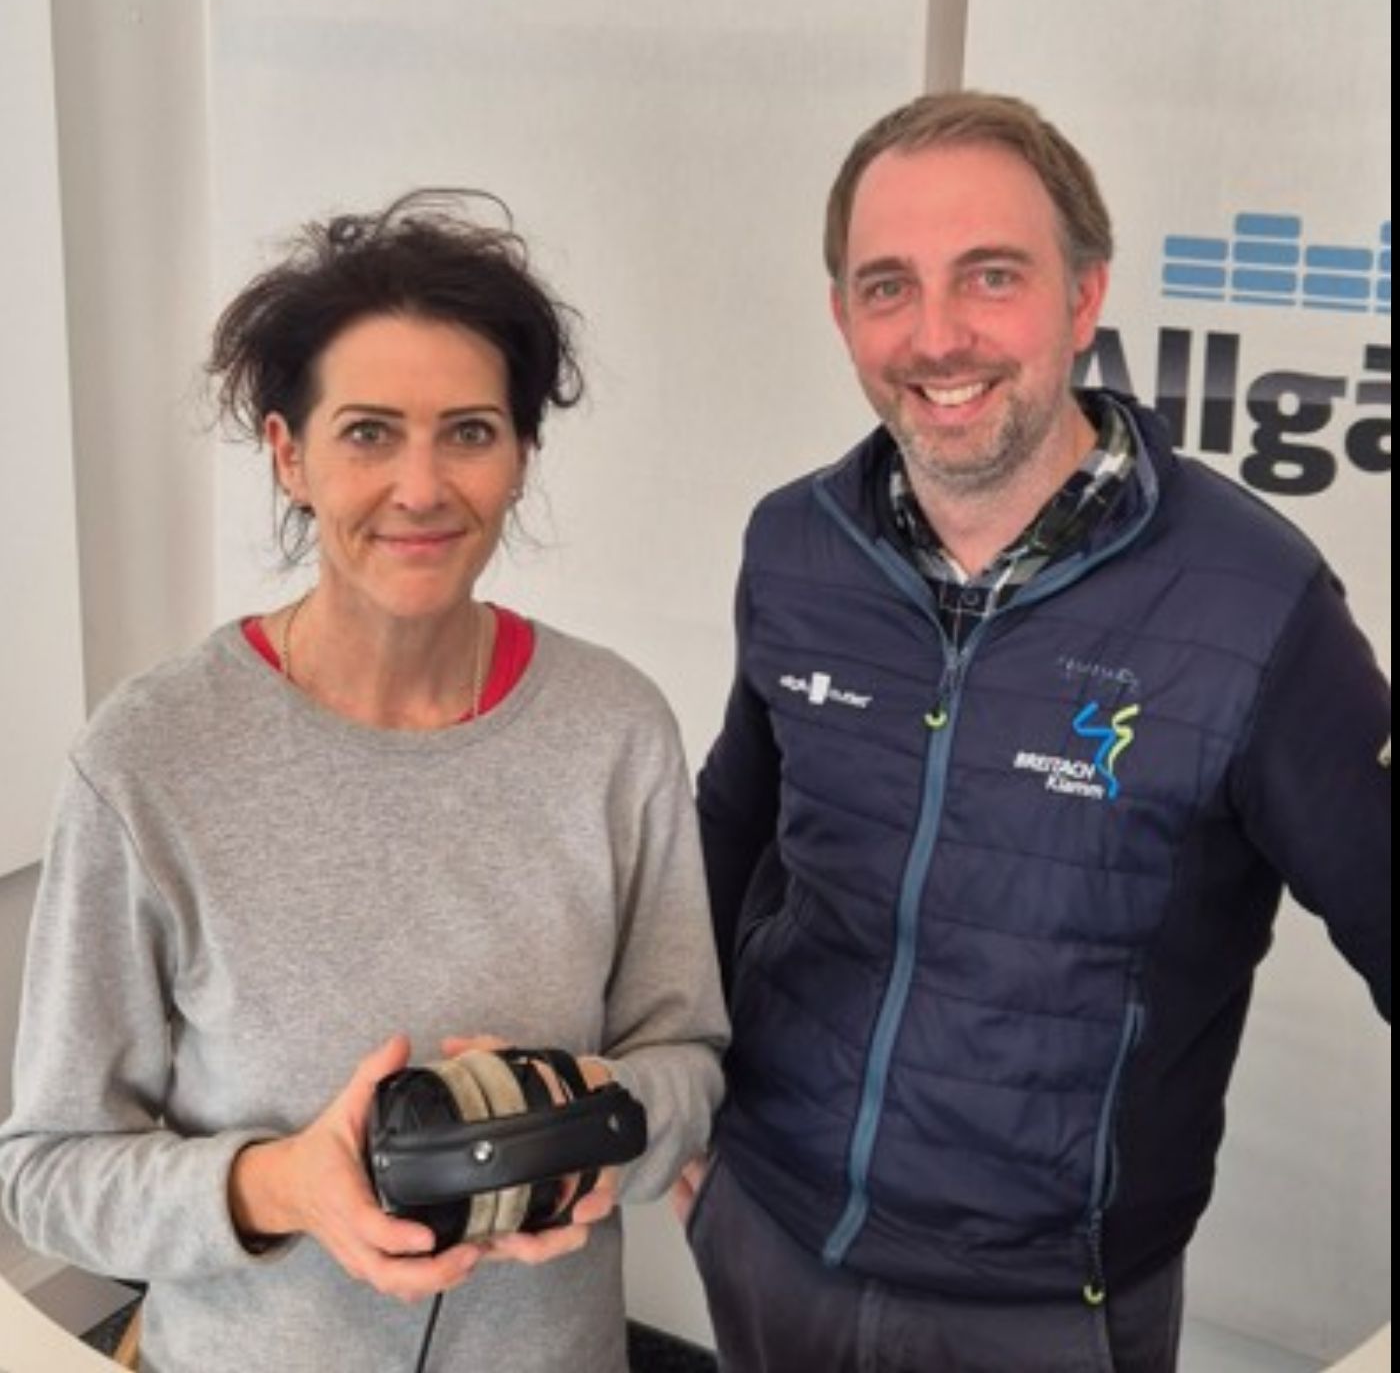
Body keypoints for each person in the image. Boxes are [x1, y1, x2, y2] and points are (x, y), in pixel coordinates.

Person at [683, 91, 1391, 1373]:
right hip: (764, 1229)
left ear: (1081, 296)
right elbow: (730, 836)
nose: (936, 333)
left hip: (1039, 1311)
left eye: (989, 276)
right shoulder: (793, 544)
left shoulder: (1252, 603)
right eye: (885, 285)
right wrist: (684, 1118)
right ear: (841, 312)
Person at [0, 189, 728, 1373]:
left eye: (471, 431)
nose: (422, 486)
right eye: (368, 431)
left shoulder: (614, 730)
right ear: (289, 454)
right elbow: (47, 1169)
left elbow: (687, 1061)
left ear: (521, 456)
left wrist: (600, 1116)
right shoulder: (151, 755)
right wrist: (282, 1184)